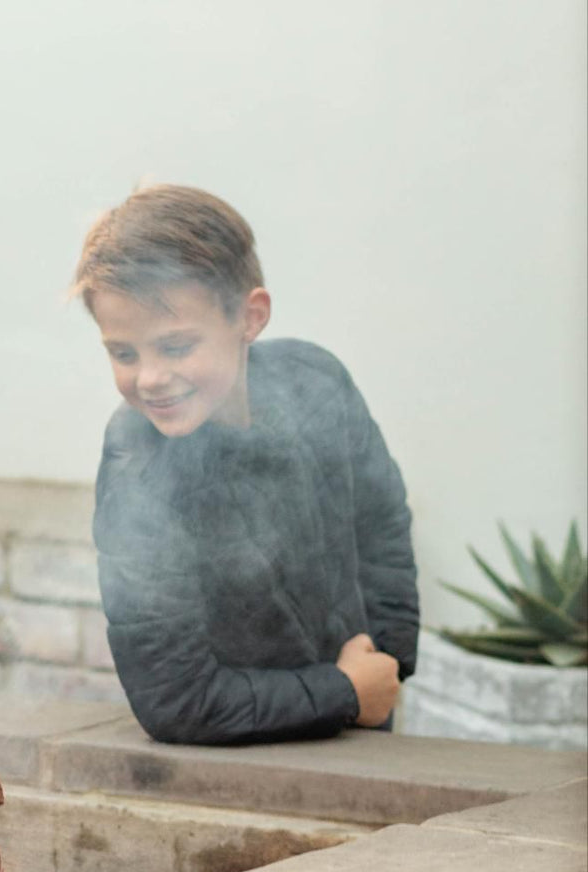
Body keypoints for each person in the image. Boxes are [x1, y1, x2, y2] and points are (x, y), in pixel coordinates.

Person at [76, 184, 417, 744]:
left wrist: (386, 666)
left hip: (363, 716)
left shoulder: (316, 380)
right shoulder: (136, 461)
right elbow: (176, 700)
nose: (151, 378)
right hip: (234, 755)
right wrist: (344, 692)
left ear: (250, 316)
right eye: (124, 353)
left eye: (177, 346)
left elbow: (383, 527)